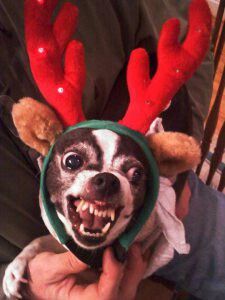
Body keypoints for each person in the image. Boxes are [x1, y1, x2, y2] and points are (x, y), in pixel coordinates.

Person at [0, 0, 219, 299]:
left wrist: (173, 177)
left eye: (132, 172)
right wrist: (18, 283)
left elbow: (182, 42)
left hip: (172, 209)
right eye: (75, 161)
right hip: (37, 277)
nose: (104, 180)